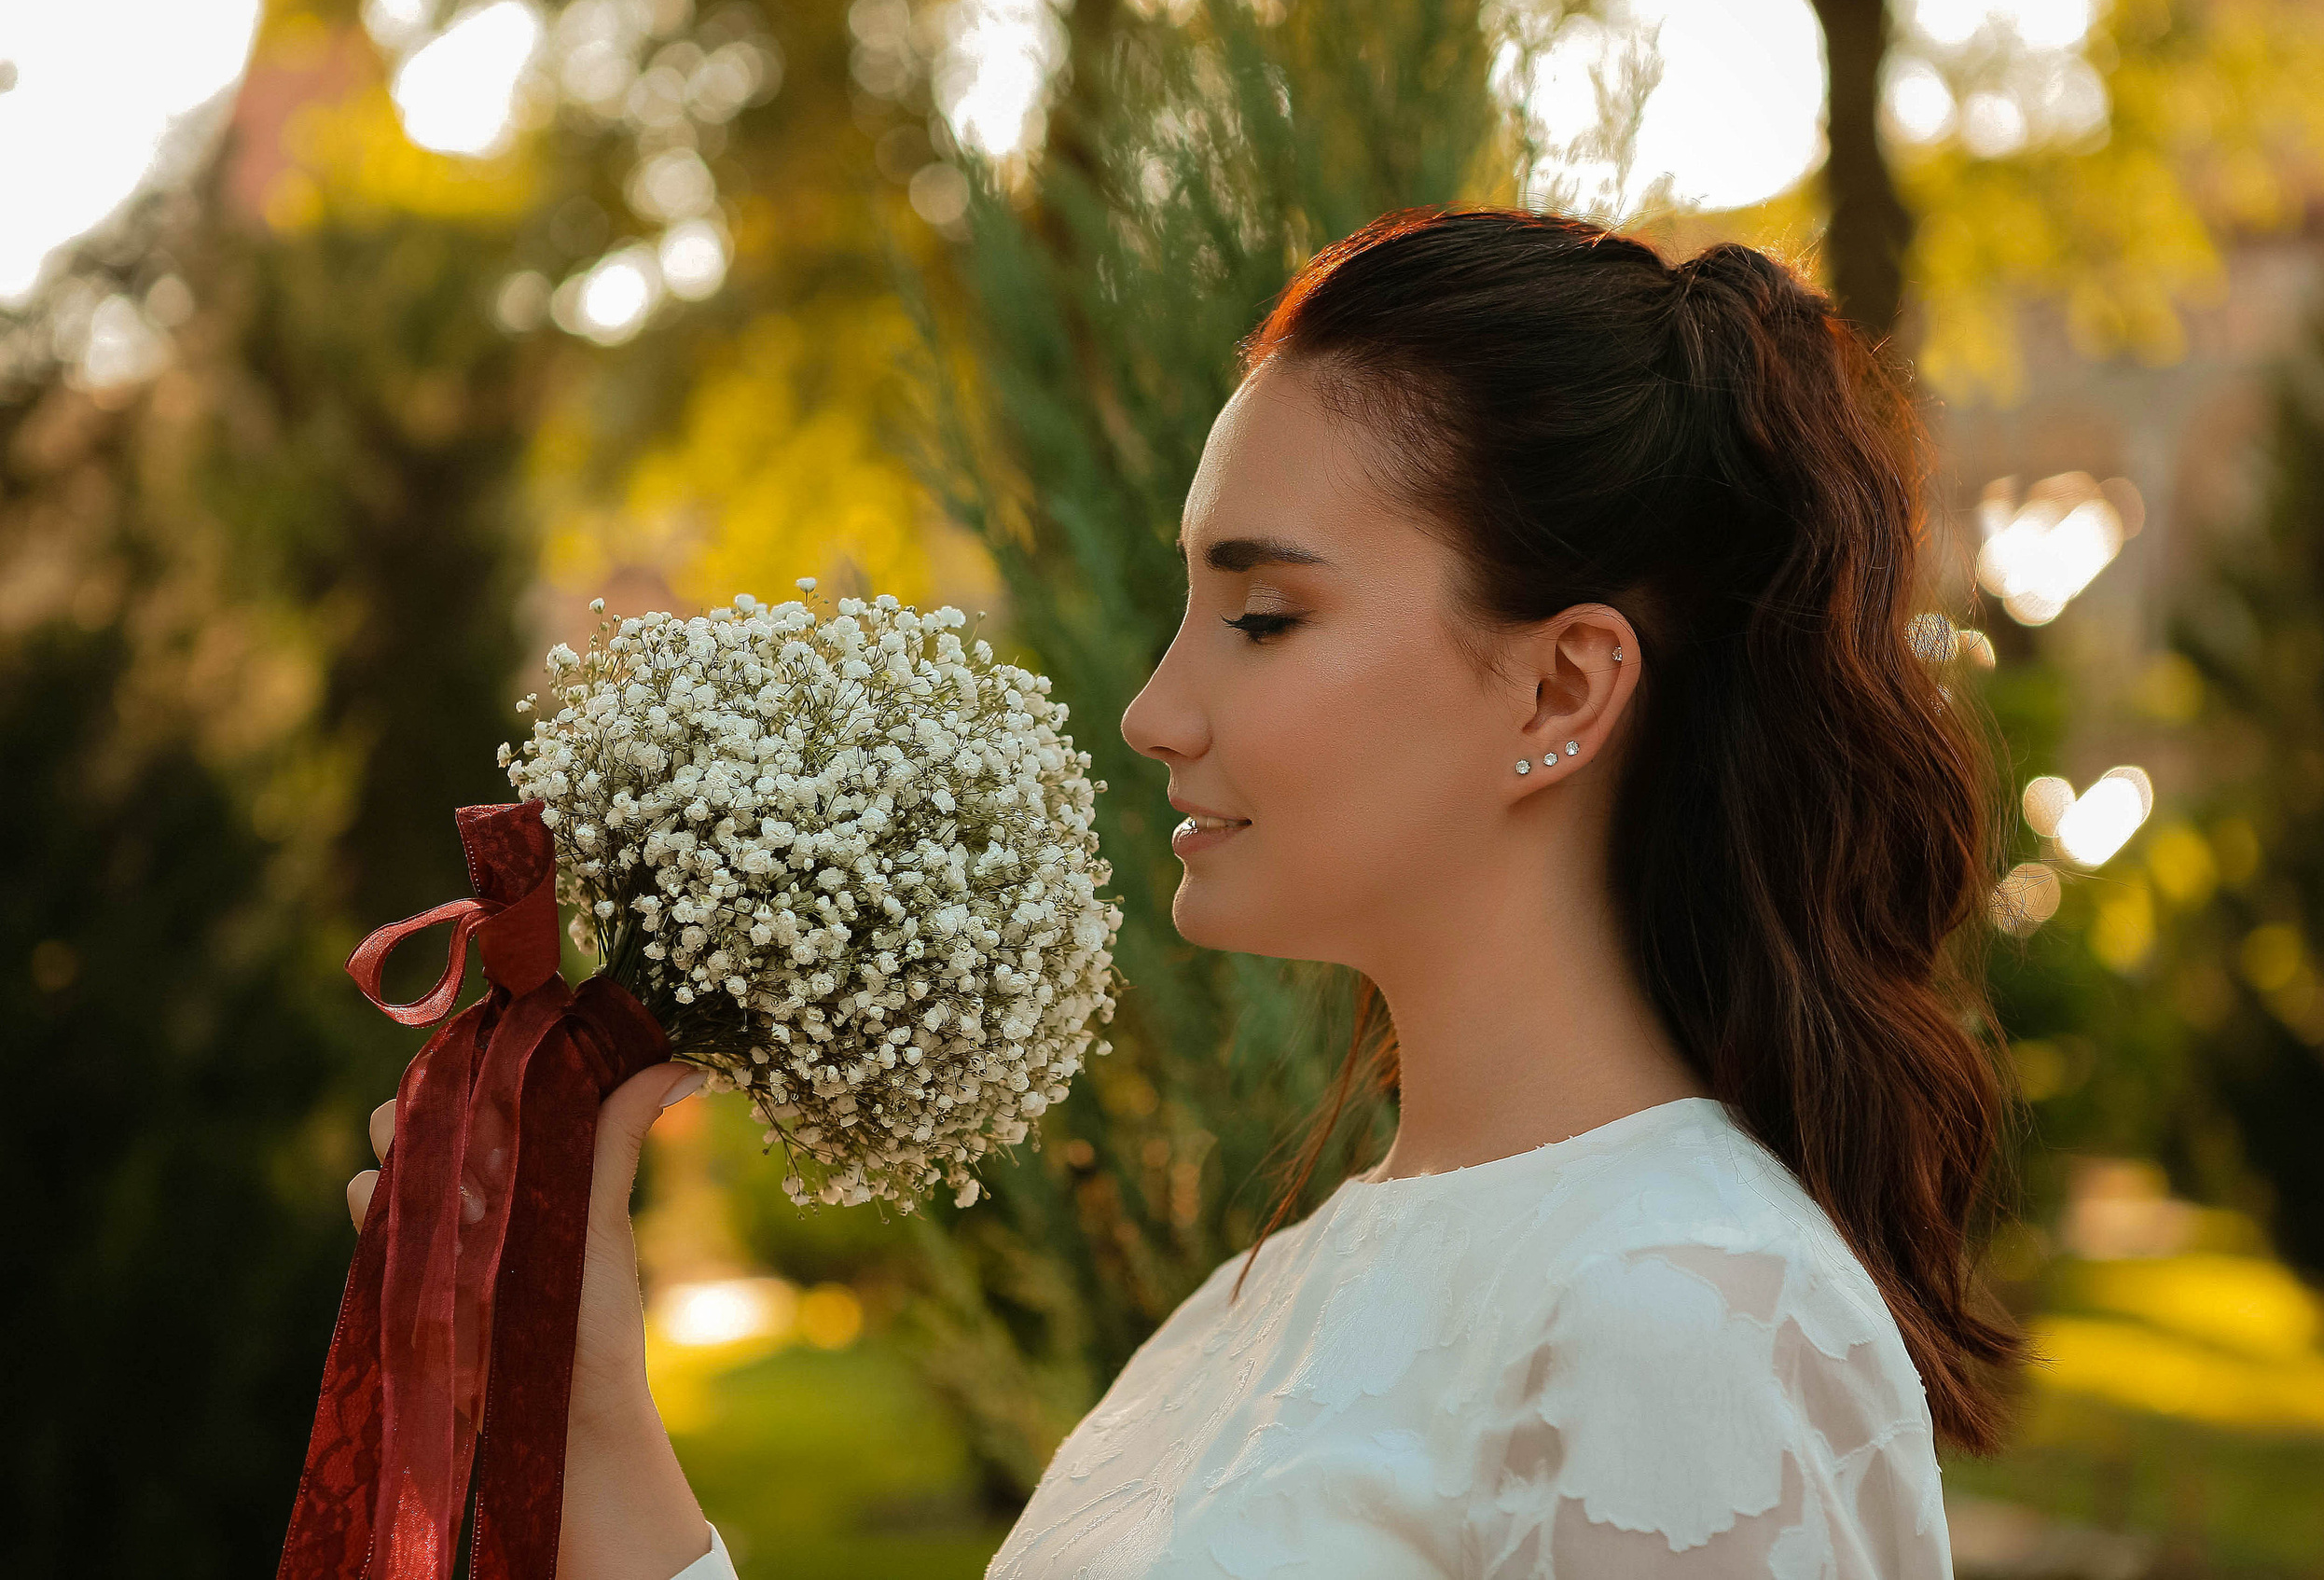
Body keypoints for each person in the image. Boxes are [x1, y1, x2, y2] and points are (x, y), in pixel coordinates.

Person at [350, 205, 2030, 1578]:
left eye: (1264, 615)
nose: (1154, 712)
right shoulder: (1270, 1302)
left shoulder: (1694, 1316)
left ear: (1561, 692)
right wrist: (582, 1396)